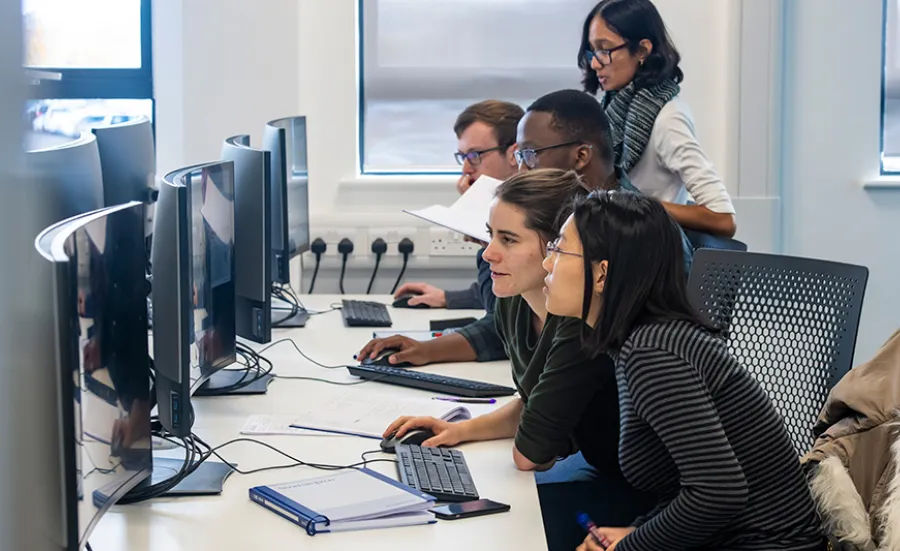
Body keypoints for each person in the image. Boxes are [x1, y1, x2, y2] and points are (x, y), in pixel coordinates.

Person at [380, 169, 654, 550]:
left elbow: (532, 455)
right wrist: (460, 430)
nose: (488, 252)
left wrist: (525, 437)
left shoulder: (581, 323)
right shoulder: (514, 302)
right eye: (490, 234)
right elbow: (534, 405)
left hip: (639, 501)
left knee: (479, 529)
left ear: (558, 245)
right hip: (600, 470)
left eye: (507, 239)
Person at [542, 191, 824, 551]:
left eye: (559, 250)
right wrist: (637, 531)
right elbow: (684, 482)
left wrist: (631, 547)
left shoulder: (653, 354)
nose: (548, 264)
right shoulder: (642, 340)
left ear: (601, 274)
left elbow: (718, 493)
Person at [357, 89, 692, 368]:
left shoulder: (629, 232)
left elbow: (580, 356)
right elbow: (511, 320)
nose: (521, 168)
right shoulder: (577, 219)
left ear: (580, 156)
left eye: (530, 154)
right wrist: (425, 350)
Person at [579, 0, 738, 237]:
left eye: (605, 50)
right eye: (593, 50)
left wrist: (634, 205)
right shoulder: (610, 110)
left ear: (642, 51)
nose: (594, 63)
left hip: (650, 259)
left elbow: (723, 218)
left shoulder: (668, 119)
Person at [393, 100, 523, 309]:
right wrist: (448, 298)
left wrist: (481, 218)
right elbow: (497, 296)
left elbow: (501, 315)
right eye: (462, 156)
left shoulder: (537, 213)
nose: (465, 169)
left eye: (474, 155)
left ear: (513, 155)